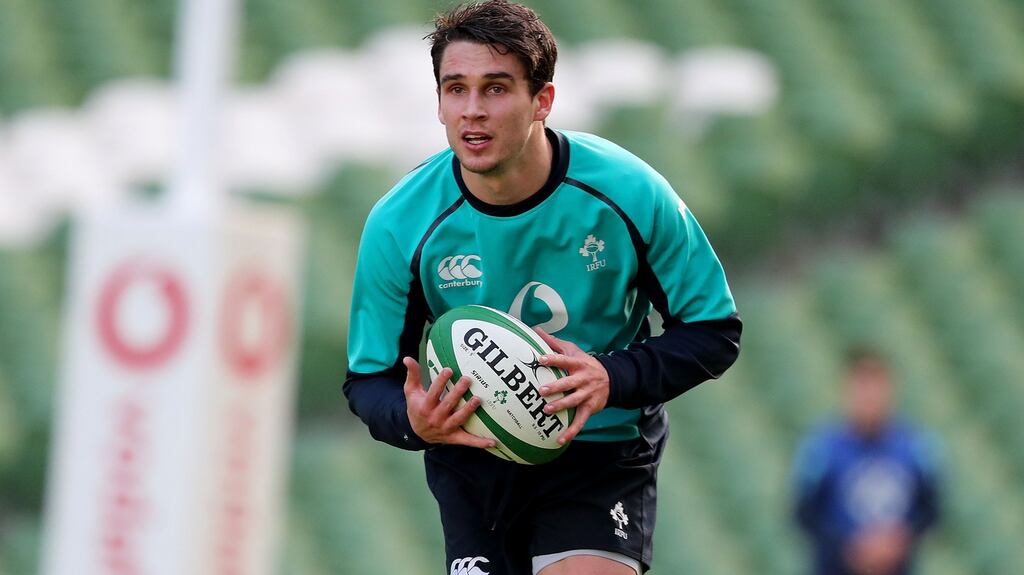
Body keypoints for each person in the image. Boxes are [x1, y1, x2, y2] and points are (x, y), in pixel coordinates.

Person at [343, 1, 741, 573]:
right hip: (476, 453)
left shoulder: (629, 191)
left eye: (496, 88)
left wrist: (611, 377)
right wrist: (413, 422)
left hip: (601, 449)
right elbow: (368, 380)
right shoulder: (399, 223)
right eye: (456, 89)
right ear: (439, 103)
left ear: (542, 100)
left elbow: (713, 331)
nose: (473, 110)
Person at [792, 349, 942, 575]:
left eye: (877, 386)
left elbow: (931, 510)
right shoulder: (822, 449)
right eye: (863, 386)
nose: (870, 397)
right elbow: (803, 513)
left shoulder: (916, 448)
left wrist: (900, 539)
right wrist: (848, 546)